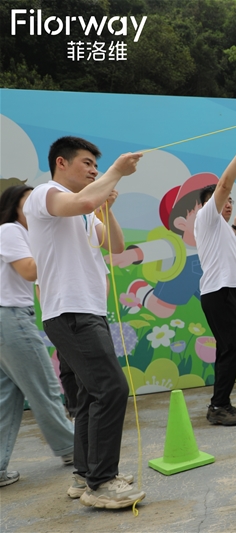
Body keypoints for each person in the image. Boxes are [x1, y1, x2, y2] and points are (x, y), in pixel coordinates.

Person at [24, 136, 145, 509]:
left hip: (85, 312)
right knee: (111, 390)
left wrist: (107, 206)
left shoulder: (84, 212)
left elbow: (117, 246)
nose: (93, 170)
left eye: (96, 165)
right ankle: (102, 481)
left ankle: (84, 474)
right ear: (61, 163)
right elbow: (85, 199)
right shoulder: (47, 195)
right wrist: (114, 175)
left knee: (93, 395)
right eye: (87, 163)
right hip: (71, 312)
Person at [0, 185, 75, 487]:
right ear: (14, 207)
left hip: (10, 318)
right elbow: (30, 271)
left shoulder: (20, 233)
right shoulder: (10, 230)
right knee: (44, 386)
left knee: (7, 397)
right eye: (29, 202)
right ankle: (74, 449)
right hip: (11, 317)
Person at [195, 135, 236, 426]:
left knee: (229, 347)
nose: (227, 202)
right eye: (222, 200)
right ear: (205, 205)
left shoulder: (222, 228)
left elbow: (226, 241)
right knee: (233, 347)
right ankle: (218, 406)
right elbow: (223, 185)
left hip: (229, 291)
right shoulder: (206, 217)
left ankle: (223, 403)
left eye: (230, 201)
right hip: (220, 291)